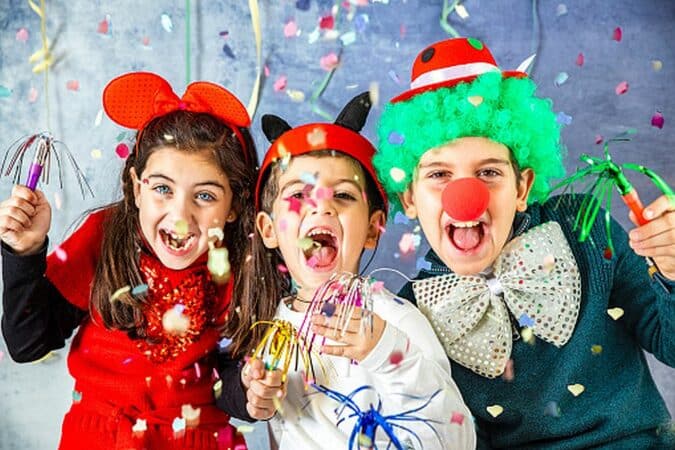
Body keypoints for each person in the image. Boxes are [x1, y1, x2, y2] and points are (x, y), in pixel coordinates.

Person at [373, 37, 675, 448]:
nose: (465, 198)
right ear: (409, 197)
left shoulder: (585, 228)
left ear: (522, 186)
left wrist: (672, 273)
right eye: (439, 175)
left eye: (489, 173)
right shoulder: (411, 313)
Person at [0, 72, 281, 449]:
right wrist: (24, 253)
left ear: (233, 206)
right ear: (136, 188)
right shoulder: (106, 237)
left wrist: (251, 392)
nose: (180, 215)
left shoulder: (238, 265)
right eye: (162, 189)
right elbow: (27, 343)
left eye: (205, 196)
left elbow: (227, 383)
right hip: (98, 437)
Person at [249, 92, 476, 449]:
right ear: (269, 230)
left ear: (373, 229)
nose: (320, 207)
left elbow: (456, 439)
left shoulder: (396, 320)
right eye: (297, 196)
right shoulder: (273, 329)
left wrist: (386, 350)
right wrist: (262, 401)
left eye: (342, 195)